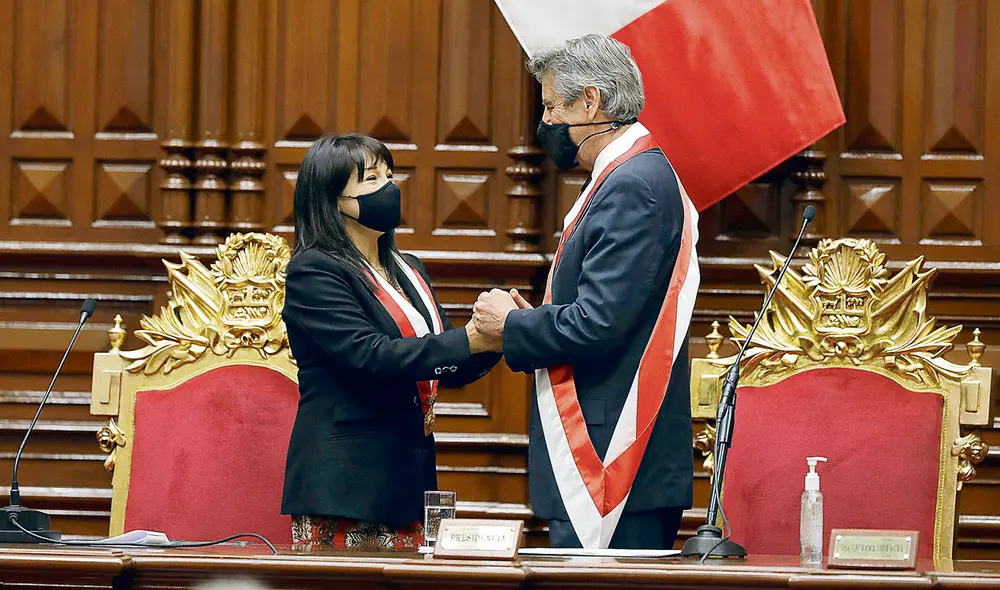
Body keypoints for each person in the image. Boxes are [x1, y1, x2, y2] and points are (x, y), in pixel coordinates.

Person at [472, 34, 700, 550]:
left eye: (553, 105)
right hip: (609, 452)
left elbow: (599, 323)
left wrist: (511, 326)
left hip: (610, 457)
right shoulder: (629, 173)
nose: (547, 122)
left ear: (591, 102)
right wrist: (536, 319)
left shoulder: (632, 184)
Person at [281, 134, 501, 549]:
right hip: (346, 487)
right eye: (370, 179)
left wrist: (498, 338)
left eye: (389, 174)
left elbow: (442, 361)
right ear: (332, 198)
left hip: (409, 482)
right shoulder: (314, 272)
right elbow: (371, 356)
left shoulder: (408, 269)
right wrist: (469, 339)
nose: (389, 187)